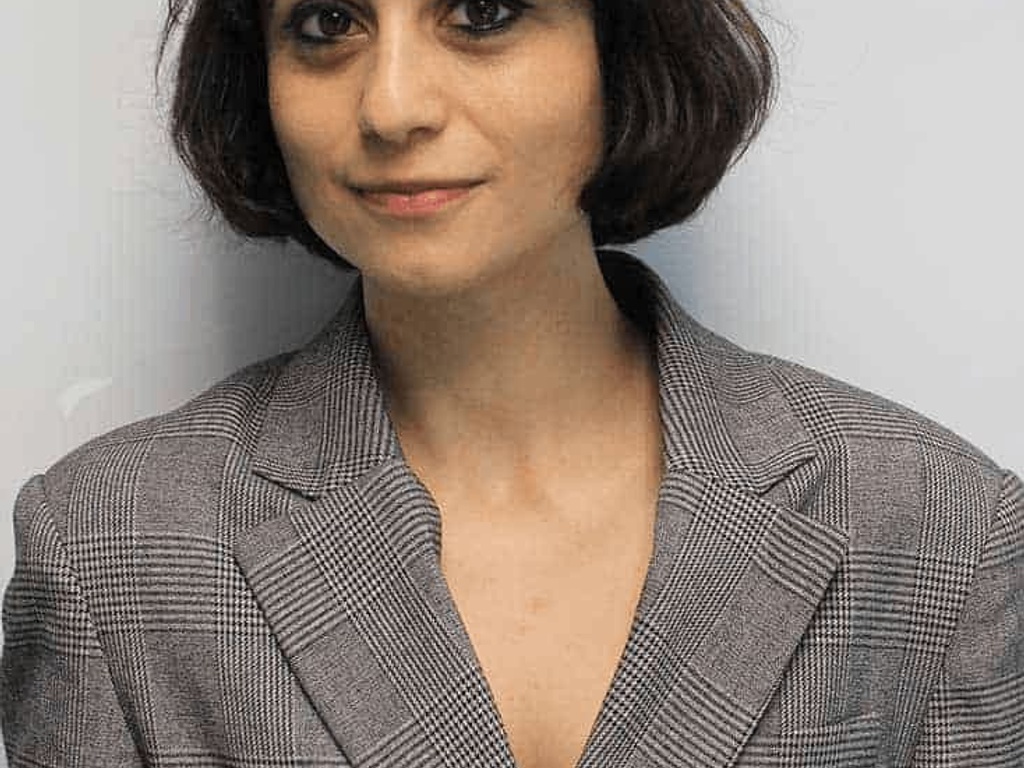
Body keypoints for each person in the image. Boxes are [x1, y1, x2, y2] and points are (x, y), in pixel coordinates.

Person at [2, 0, 1020, 765]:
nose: (392, 104)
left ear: (618, 52)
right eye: (323, 23)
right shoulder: (108, 547)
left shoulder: (939, 526)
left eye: (481, 12)